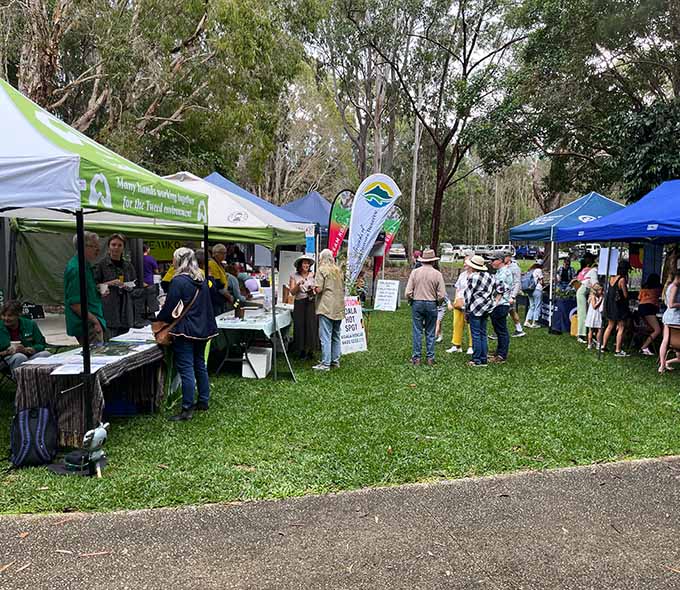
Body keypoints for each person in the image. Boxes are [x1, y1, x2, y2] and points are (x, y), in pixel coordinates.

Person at [158, 248, 218, 421]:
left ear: (178, 260)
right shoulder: (201, 279)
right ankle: (203, 400)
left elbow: (171, 308)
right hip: (203, 329)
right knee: (200, 364)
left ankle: (187, 408)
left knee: (186, 369)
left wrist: (160, 320)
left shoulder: (178, 281)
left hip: (185, 330)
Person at [405, 249, 447, 366]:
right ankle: (430, 358)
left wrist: (411, 300)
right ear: (433, 262)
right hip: (431, 303)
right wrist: (438, 302)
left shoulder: (415, 272)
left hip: (417, 303)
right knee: (430, 331)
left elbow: (407, 292)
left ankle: (416, 358)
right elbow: (442, 294)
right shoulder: (437, 274)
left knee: (417, 331)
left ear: (422, 260)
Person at [64, 231, 106, 345]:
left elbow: (84, 291)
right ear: (83, 247)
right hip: (87, 324)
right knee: (95, 357)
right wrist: (94, 321)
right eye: (94, 247)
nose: (98, 250)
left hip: (92, 320)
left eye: (98, 247)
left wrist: (96, 290)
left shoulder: (85, 265)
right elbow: (75, 304)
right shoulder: (77, 269)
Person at [94, 233, 137, 337]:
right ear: (109, 247)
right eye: (113, 244)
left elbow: (134, 285)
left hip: (126, 310)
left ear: (123, 248)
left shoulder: (128, 266)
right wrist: (109, 283)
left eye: (119, 245)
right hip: (109, 311)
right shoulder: (101, 265)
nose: (116, 248)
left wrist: (128, 286)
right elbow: (94, 286)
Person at [313, 249, 345, 371]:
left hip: (326, 306)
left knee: (325, 335)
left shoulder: (321, 270)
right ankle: (335, 361)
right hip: (339, 306)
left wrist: (313, 288)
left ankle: (325, 364)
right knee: (336, 335)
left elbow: (319, 289)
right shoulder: (338, 270)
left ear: (321, 258)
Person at [0, 301, 51, 373]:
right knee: (19, 357)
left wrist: (29, 349)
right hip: (5, 360)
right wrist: (7, 352)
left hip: (29, 355)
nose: (6, 318)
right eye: (3, 315)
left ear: (19, 315)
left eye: (10, 315)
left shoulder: (30, 324)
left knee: (46, 354)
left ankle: (42, 381)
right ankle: (22, 382)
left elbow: (41, 344)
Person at [464, 255, 497, 367]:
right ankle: (483, 358)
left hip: (475, 307)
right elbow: (500, 288)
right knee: (483, 333)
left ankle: (476, 359)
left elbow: (468, 295)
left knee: (476, 334)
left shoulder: (473, 277)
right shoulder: (491, 277)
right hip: (486, 307)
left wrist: (466, 309)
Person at [289, 254, 318, 360]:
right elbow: (292, 292)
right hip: (300, 303)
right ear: (300, 265)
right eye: (304, 263)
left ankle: (310, 350)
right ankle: (301, 350)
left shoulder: (313, 275)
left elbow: (317, 289)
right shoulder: (294, 276)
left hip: (310, 303)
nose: (306, 265)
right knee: (300, 326)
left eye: (307, 263)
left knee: (311, 326)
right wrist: (298, 284)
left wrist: (313, 289)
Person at [601, 260, 631, 357]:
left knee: (610, 326)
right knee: (621, 327)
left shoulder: (612, 278)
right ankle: (618, 350)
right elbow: (625, 295)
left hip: (611, 305)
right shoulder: (622, 280)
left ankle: (603, 346)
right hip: (620, 306)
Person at [489, 252, 513, 363]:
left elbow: (500, 290)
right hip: (499, 304)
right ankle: (499, 351)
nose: (491, 262)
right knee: (498, 329)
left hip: (501, 304)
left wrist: (495, 302)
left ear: (500, 260)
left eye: (493, 260)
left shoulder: (504, 273)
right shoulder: (500, 272)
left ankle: (502, 355)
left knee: (502, 330)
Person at [447, 257, 473, 354]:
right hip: (459, 302)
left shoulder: (476, 275)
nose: (464, 265)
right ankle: (456, 345)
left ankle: (472, 346)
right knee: (457, 323)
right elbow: (458, 288)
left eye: (466, 263)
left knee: (471, 325)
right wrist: (455, 300)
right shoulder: (462, 275)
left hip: (470, 304)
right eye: (464, 262)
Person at [658, 271, 680, 373]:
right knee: (666, 341)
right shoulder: (675, 287)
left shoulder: (670, 286)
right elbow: (671, 304)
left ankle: (662, 364)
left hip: (668, 317)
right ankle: (663, 364)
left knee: (665, 341)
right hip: (675, 318)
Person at [575, 253, 598, 343]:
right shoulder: (592, 270)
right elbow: (594, 283)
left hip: (586, 292)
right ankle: (581, 335)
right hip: (583, 292)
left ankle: (589, 334)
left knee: (588, 314)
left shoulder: (588, 269)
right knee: (582, 313)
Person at [637, 273, 662, 356]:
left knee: (650, 328)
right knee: (657, 330)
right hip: (649, 309)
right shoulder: (657, 289)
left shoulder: (643, 288)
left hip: (641, 308)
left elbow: (639, 298)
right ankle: (644, 347)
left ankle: (646, 345)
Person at [504, 252, 525, 337]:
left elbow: (517, 282)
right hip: (504, 293)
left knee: (503, 312)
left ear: (509, 257)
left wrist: (513, 295)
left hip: (510, 294)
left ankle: (498, 332)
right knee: (512, 311)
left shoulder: (515, 268)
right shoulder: (504, 266)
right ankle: (519, 329)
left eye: (504, 257)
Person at [524, 262, 544, 329]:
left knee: (531, 306)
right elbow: (541, 281)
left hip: (529, 290)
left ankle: (527, 321)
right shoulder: (539, 270)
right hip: (537, 289)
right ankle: (534, 323)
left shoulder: (530, 271)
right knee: (537, 306)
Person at [585, 284, 604, 350]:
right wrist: (601, 300)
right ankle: (590, 344)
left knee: (599, 329)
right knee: (592, 330)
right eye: (600, 290)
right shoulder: (593, 297)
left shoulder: (596, 296)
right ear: (596, 291)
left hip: (597, 314)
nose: (602, 292)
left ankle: (597, 344)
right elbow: (594, 306)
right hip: (594, 314)